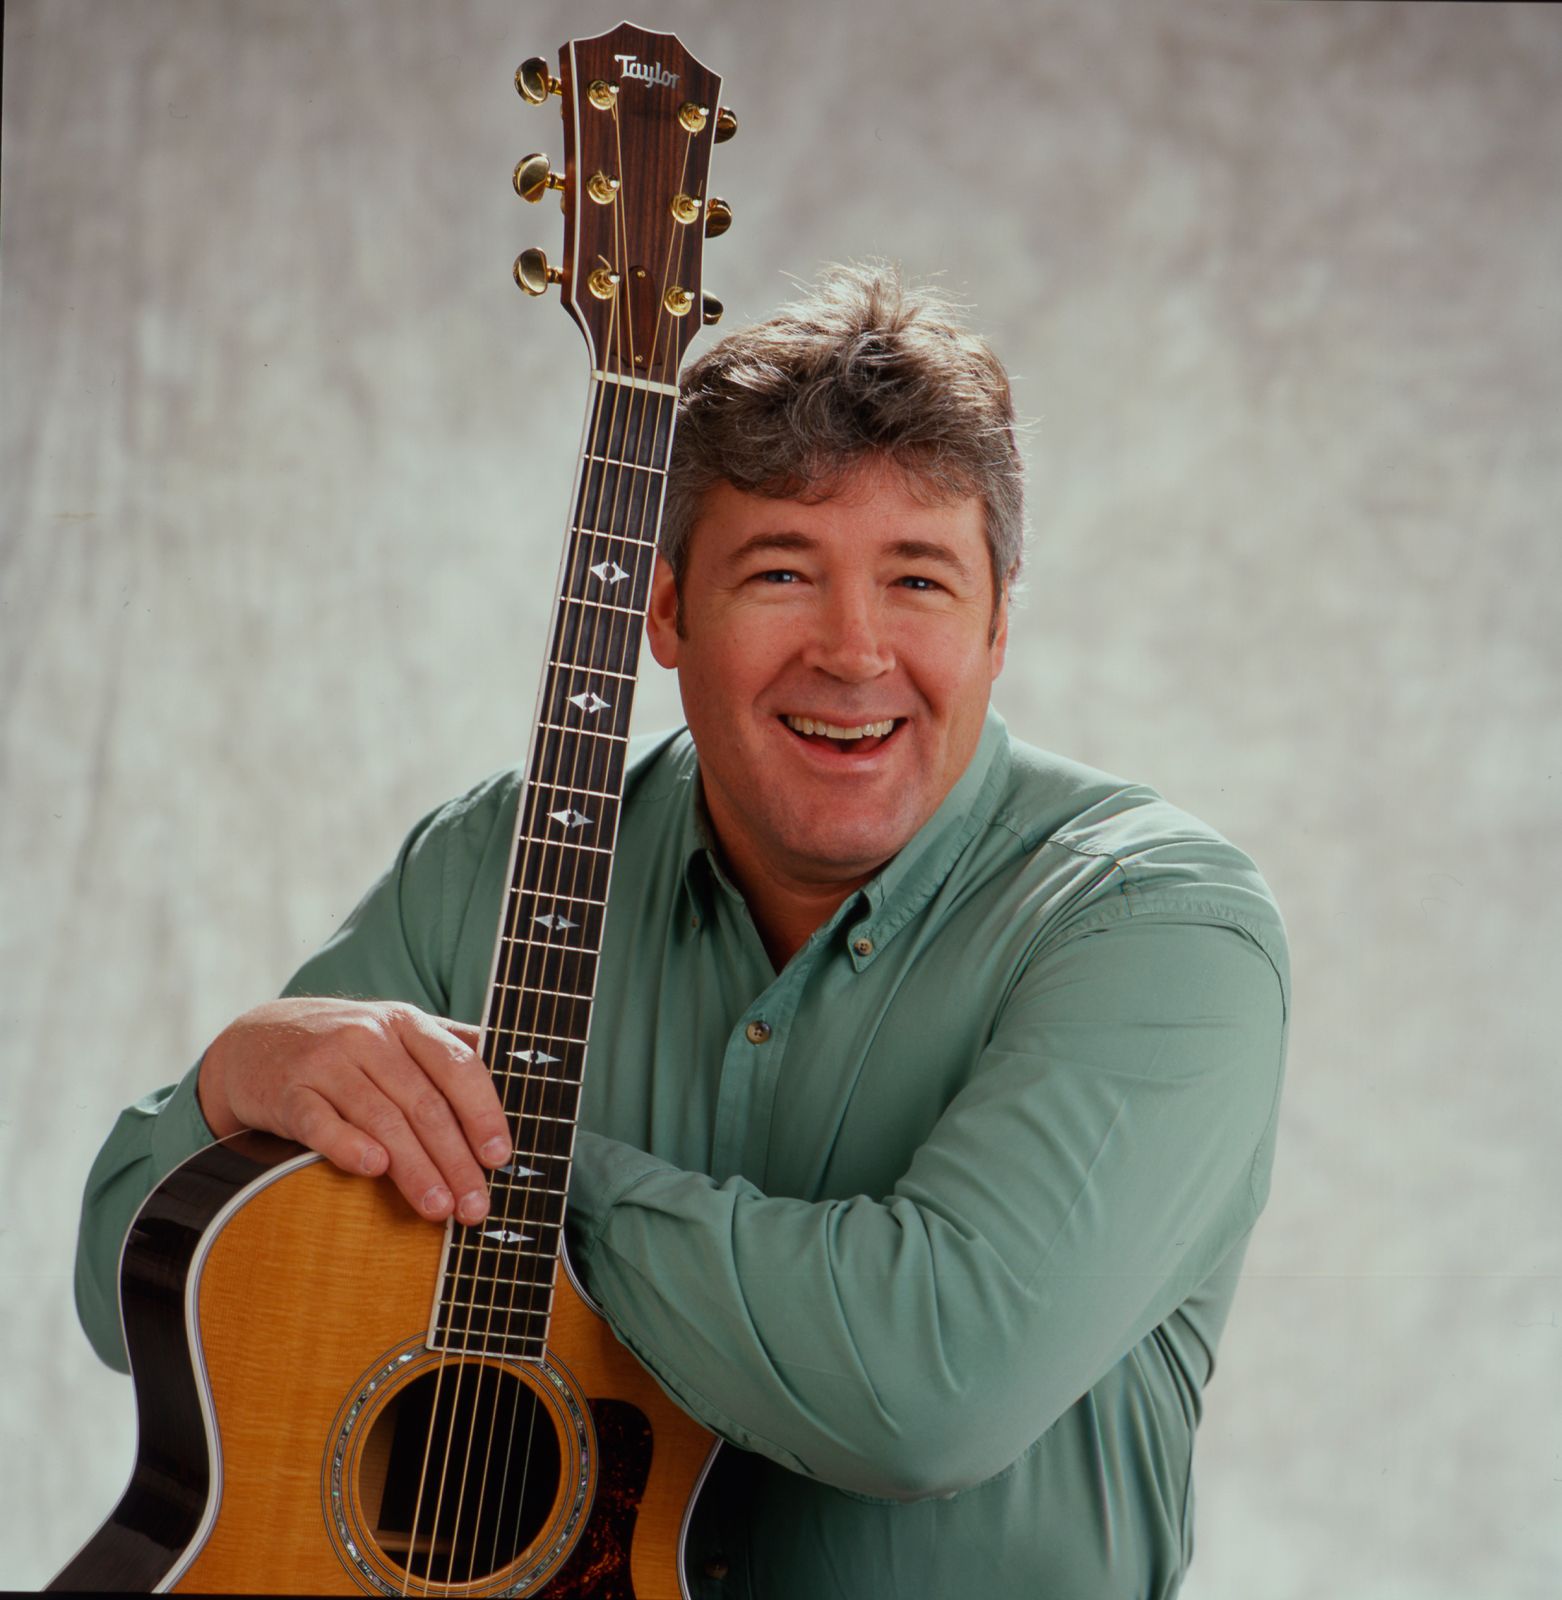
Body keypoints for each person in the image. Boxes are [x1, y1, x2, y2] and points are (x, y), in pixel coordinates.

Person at [73, 264, 1289, 1598]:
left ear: (999, 622)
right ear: (664, 612)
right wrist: (238, 1082)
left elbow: (930, 1389)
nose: (853, 651)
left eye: (918, 580)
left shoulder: (1156, 927)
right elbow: (133, 1310)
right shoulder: (496, 862)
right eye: (781, 571)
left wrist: (509, 1166)